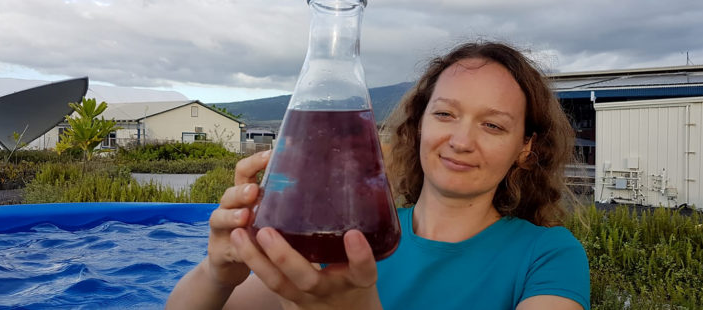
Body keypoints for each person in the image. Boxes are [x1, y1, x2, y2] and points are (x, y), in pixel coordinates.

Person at [166, 41, 591, 310]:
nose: (461, 141)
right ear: (419, 125)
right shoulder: (357, 239)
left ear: (525, 148)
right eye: (444, 114)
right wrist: (217, 273)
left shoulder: (548, 256)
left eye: (493, 125)